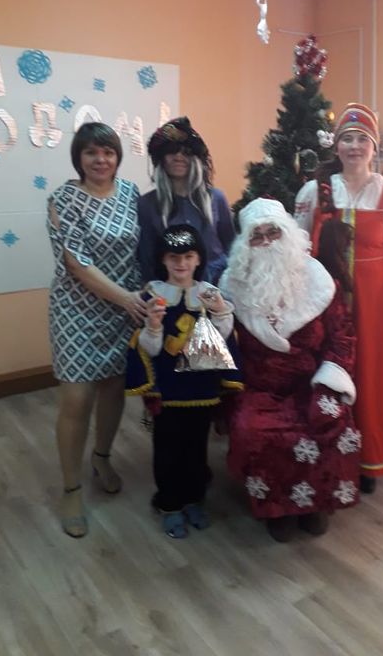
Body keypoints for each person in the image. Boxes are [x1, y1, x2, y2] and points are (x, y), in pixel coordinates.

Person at [294, 102, 383, 494]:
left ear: (373, 148)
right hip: (326, 296)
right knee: (327, 369)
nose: (354, 146)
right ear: (336, 147)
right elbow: (298, 244)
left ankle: (368, 457)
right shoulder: (315, 191)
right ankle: (329, 453)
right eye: (347, 139)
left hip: (378, 300)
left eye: (361, 139)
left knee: (370, 373)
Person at [219, 198, 360, 543]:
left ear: (289, 235)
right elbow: (222, 343)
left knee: (330, 416)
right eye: (257, 236)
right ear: (246, 245)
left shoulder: (319, 280)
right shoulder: (232, 286)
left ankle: (317, 502)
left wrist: (329, 384)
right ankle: (277, 507)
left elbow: (342, 336)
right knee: (252, 427)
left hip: (312, 382)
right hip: (259, 387)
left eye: (274, 232)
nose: (267, 241)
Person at [47, 122, 147, 538]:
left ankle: (101, 457)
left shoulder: (131, 194)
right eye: (91, 152)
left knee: (113, 388)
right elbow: (77, 263)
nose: (100, 159)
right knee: (77, 398)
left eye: (107, 152)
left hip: (124, 311)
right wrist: (125, 299)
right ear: (79, 158)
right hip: (77, 312)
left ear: (117, 157)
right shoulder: (63, 199)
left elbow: (144, 248)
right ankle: (71, 489)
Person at [126, 224, 242, 539]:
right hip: (168, 391)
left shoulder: (209, 293)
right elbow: (148, 350)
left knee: (196, 449)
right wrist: (153, 327)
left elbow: (223, 338)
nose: (181, 263)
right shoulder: (152, 296)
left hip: (202, 389)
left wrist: (221, 312)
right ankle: (169, 505)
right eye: (174, 257)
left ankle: (194, 500)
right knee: (167, 449)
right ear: (163, 259)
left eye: (188, 256)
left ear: (198, 259)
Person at [138, 116, 235, 286]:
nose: (178, 157)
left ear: (196, 158)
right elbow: (147, 258)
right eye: (171, 151)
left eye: (186, 152)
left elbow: (232, 248)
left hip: (217, 287)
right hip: (171, 289)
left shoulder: (216, 198)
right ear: (161, 158)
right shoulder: (147, 204)